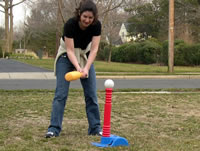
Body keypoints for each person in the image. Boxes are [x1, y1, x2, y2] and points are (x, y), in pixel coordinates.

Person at [45, 0, 102, 138]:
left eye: (90, 17)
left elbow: (94, 50)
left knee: (91, 95)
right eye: (85, 17)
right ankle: (54, 129)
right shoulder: (70, 25)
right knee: (61, 95)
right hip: (66, 56)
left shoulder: (96, 26)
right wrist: (78, 68)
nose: (87, 20)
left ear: (94, 18)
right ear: (79, 14)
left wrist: (86, 68)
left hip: (84, 56)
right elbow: (70, 51)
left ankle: (95, 127)